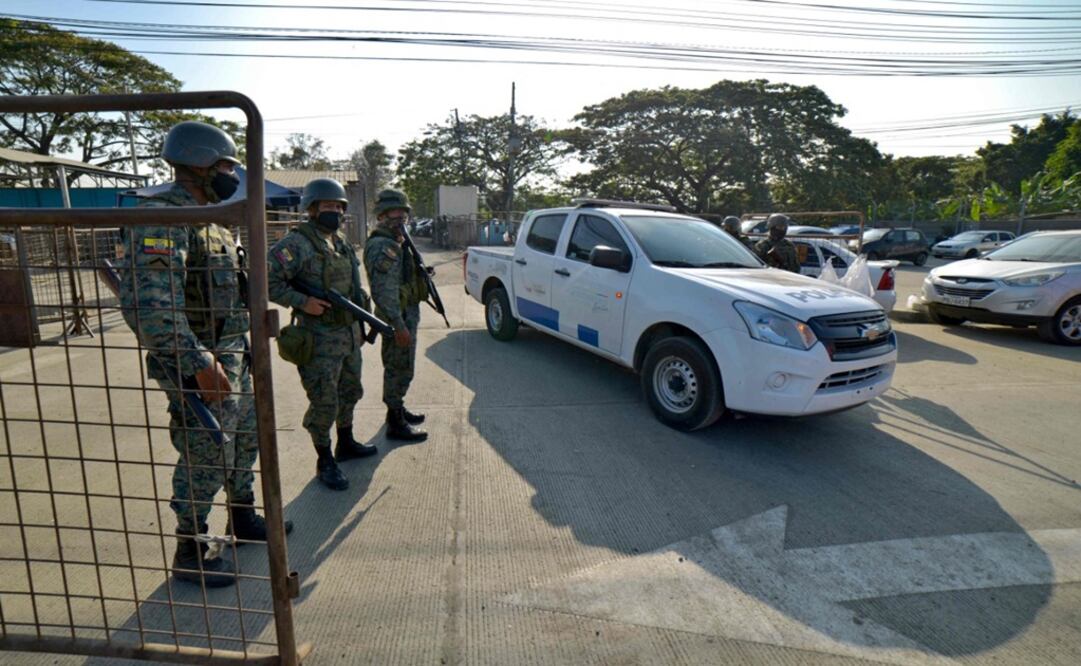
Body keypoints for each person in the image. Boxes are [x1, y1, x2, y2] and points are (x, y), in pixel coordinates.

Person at [118, 121, 291, 588]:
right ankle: (189, 546)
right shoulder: (163, 218)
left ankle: (241, 515)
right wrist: (197, 363)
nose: (233, 175)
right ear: (199, 164)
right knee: (206, 451)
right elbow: (151, 308)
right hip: (199, 363)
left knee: (246, 440)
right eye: (226, 166)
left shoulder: (212, 219)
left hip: (233, 353)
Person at [267, 178, 377, 492]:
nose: (335, 212)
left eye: (339, 207)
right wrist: (303, 302)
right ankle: (324, 459)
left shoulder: (339, 241)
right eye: (328, 206)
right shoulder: (296, 244)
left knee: (350, 391)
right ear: (312, 209)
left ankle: (346, 442)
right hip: (317, 339)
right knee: (323, 401)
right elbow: (266, 280)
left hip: (346, 334)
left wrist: (359, 325)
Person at [363, 189, 429, 442]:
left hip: (405, 314)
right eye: (394, 211)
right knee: (398, 367)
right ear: (381, 215)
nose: (400, 216)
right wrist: (399, 326)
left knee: (404, 366)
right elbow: (384, 292)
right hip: (396, 317)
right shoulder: (384, 246)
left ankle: (398, 409)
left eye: (403, 211)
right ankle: (394, 422)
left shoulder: (398, 240)